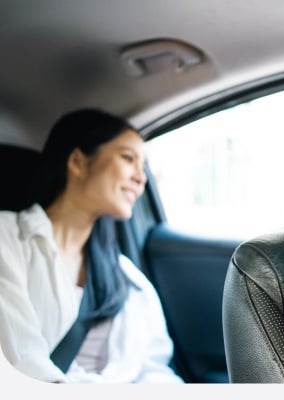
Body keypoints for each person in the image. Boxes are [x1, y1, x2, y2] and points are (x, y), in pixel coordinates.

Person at [0, 108, 183, 383]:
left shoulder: (126, 276)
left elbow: (152, 367)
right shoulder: (8, 238)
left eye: (142, 165)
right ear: (77, 161)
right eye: (128, 158)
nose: (140, 177)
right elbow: (21, 365)